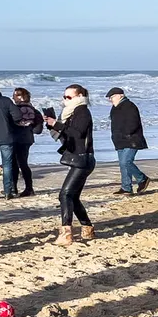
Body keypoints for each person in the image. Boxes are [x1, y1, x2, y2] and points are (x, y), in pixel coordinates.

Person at [44, 84, 96, 246]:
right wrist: (52, 125)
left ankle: (66, 233)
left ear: (79, 96)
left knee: (64, 195)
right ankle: (87, 228)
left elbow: (77, 133)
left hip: (83, 159)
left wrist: (57, 124)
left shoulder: (82, 111)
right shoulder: (71, 112)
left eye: (69, 97)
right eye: (64, 97)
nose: (65, 100)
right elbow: (67, 135)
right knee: (73, 196)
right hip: (78, 158)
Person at [107, 87, 150, 196]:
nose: (110, 99)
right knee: (122, 164)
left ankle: (142, 179)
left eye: (112, 97)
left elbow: (134, 123)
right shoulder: (114, 108)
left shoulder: (129, 106)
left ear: (120, 95)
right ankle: (126, 187)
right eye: (109, 98)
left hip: (131, 139)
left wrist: (126, 134)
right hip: (119, 141)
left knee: (126, 162)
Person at [11, 88, 43, 197]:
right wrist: (28, 128)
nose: (13, 97)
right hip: (27, 139)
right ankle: (29, 188)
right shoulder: (34, 110)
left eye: (14, 95)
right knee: (23, 163)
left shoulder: (14, 110)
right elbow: (38, 130)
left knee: (14, 164)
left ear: (20, 97)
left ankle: (14, 188)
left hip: (14, 138)